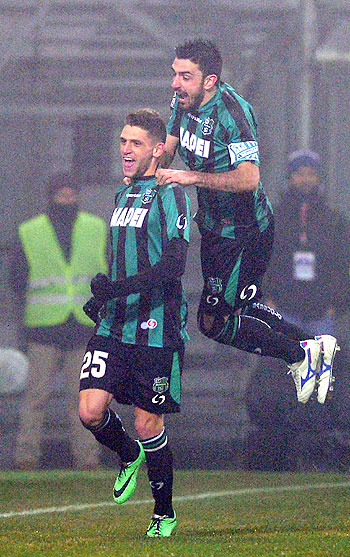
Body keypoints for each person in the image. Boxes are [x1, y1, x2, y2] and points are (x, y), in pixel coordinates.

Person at [156, 38, 339, 405]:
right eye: (175, 74)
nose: (176, 83)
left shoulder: (233, 113)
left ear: (209, 80)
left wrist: (191, 178)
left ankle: (300, 354)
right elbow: (169, 148)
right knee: (235, 313)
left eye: (185, 76)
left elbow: (248, 178)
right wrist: (143, 170)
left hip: (245, 232)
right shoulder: (182, 102)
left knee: (215, 323)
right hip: (212, 227)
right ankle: (312, 346)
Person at [79, 108, 191, 538]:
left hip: (156, 328)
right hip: (115, 323)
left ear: (157, 149)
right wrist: (103, 296)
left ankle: (164, 512)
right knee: (90, 412)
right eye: (123, 141)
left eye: (136, 143)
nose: (126, 150)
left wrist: (117, 290)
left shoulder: (169, 193)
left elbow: (174, 265)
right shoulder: (122, 193)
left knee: (148, 424)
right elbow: (125, 260)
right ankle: (127, 455)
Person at [10, 173, 108, 470]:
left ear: (78, 196)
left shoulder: (96, 229)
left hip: (81, 328)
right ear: (51, 197)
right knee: (36, 398)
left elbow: (107, 275)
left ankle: (87, 459)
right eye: (61, 195)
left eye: (70, 194)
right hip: (44, 328)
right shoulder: (30, 231)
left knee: (84, 400)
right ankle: (26, 458)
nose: (66, 199)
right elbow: (17, 278)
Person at [264, 149, 350, 336]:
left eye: (311, 174)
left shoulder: (334, 220)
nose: (306, 179)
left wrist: (338, 304)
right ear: (290, 178)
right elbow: (263, 258)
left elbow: (343, 264)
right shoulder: (275, 218)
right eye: (300, 174)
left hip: (321, 311)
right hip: (283, 307)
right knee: (285, 362)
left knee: (319, 362)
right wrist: (267, 297)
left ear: (319, 178)